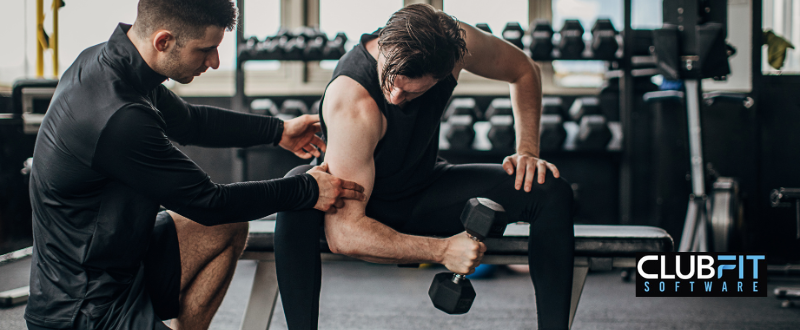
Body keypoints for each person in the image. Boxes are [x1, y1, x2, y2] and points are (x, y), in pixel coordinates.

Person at [24, 1, 365, 329]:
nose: (215, 61)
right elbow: (209, 203)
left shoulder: (117, 66)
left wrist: (278, 131)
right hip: (85, 308)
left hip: (124, 259)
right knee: (218, 216)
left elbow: (191, 122)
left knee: (228, 228)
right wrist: (306, 189)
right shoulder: (119, 118)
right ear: (164, 41)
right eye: (205, 50)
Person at [275, 3, 575, 330]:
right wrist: (443, 250)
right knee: (297, 191)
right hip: (357, 207)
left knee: (550, 190)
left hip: (422, 186)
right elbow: (345, 235)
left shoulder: (457, 43)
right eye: (391, 79)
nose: (394, 96)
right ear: (385, 43)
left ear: (448, 70)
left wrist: (528, 150)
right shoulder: (353, 101)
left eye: (409, 93)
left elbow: (524, 69)